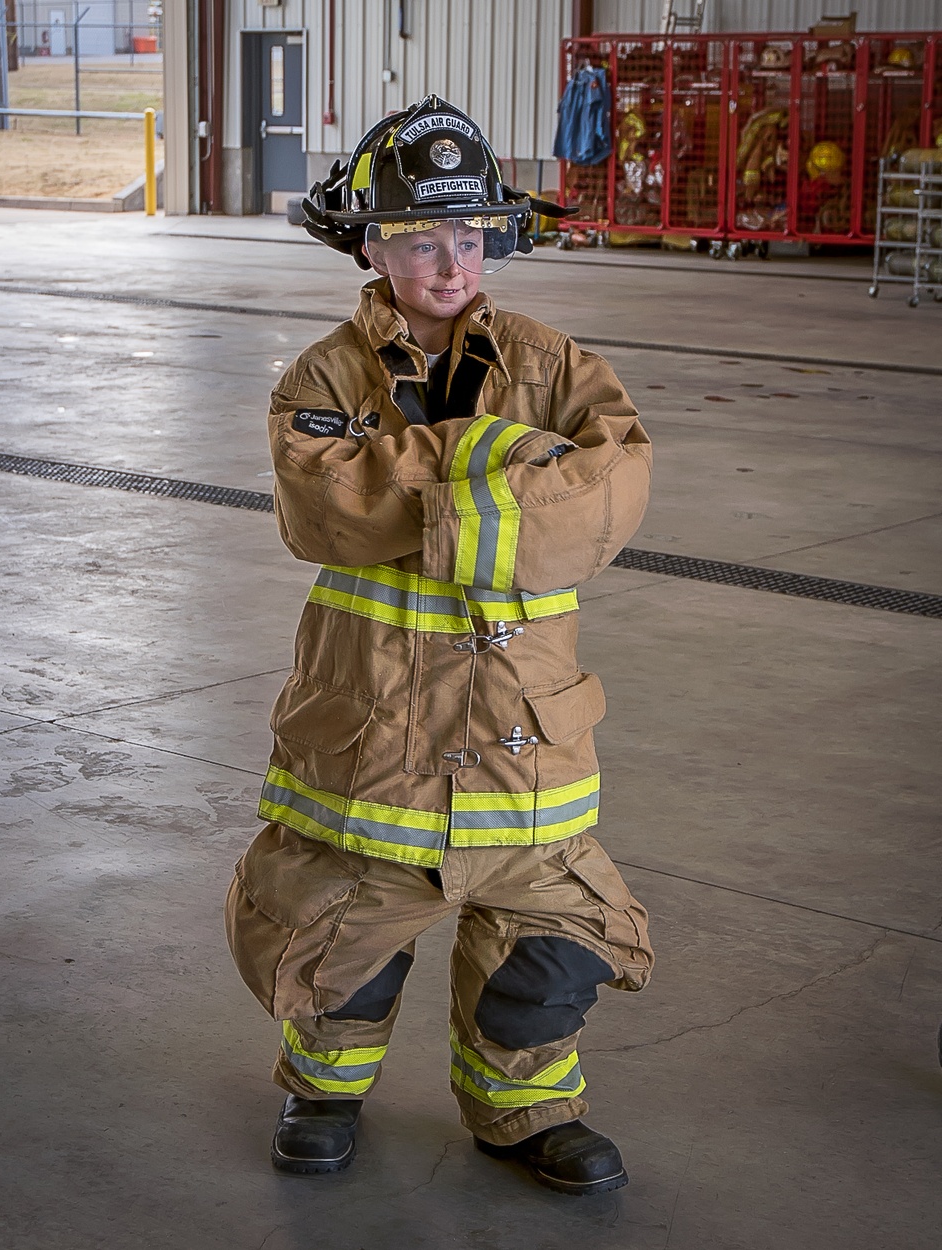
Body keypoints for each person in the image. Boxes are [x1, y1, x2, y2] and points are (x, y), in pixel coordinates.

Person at [224, 95, 655, 1198]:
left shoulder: (562, 363)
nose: (449, 262)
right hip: (370, 736)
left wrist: (418, 477)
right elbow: (326, 510)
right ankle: (322, 1089)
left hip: (527, 744)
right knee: (339, 930)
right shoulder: (322, 377)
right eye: (420, 238)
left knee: (547, 946)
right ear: (369, 243)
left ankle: (525, 1108)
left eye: (469, 238)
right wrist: (509, 462)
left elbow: (607, 497)